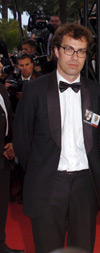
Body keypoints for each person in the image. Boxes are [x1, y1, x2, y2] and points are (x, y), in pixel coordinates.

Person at [13, 23, 100, 253]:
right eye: (69, 49)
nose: (75, 57)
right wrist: (40, 168)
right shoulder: (34, 90)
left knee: (83, 249)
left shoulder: (98, 93)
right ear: (56, 51)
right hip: (47, 183)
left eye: (81, 51)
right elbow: (21, 139)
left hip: (86, 186)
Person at [0, 85, 23, 253]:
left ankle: (1, 244)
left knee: (1, 205)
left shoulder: (1, 88)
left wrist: (12, 142)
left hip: (3, 158)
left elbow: (9, 119)